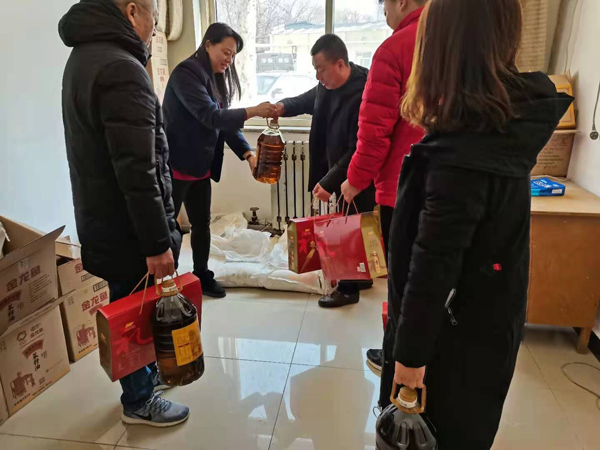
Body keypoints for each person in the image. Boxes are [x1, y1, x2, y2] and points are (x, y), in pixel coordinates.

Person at [380, 0, 573, 448]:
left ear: (440, 47)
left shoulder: (464, 153)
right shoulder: (506, 124)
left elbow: (433, 265)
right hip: (489, 323)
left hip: (453, 342)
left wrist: (409, 358)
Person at [60, 0, 189, 427]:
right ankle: (138, 400)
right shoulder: (120, 68)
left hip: (104, 219)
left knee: (132, 301)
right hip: (128, 228)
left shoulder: (82, 59)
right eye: (154, 16)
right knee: (134, 309)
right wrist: (157, 243)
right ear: (133, 11)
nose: (155, 27)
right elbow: (137, 169)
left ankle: (145, 379)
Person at [341, 0, 426, 376]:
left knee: (402, 283)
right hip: (453, 184)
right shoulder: (457, 41)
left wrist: (354, 180)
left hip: (403, 187)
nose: (385, 14)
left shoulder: (395, 49)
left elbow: (374, 135)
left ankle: (396, 360)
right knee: (432, 283)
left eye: (385, 5)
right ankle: (424, 362)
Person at [163, 23, 278, 299]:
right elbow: (211, 117)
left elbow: (225, 125)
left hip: (201, 167)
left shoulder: (215, 79)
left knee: (201, 225)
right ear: (207, 45)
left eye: (233, 55)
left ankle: (202, 274)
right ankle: (167, 285)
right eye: (226, 52)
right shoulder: (186, 74)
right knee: (169, 229)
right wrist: (254, 110)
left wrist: (248, 154)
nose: (229, 59)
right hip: (176, 166)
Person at [276, 34, 376, 308]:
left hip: (358, 172)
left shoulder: (364, 91)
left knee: (349, 227)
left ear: (340, 64)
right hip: (337, 167)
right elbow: (304, 100)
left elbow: (358, 146)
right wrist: (280, 107)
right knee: (351, 224)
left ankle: (348, 289)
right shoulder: (326, 86)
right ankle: (360, 277)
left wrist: (330, 181)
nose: (318, 76)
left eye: (321, 69)